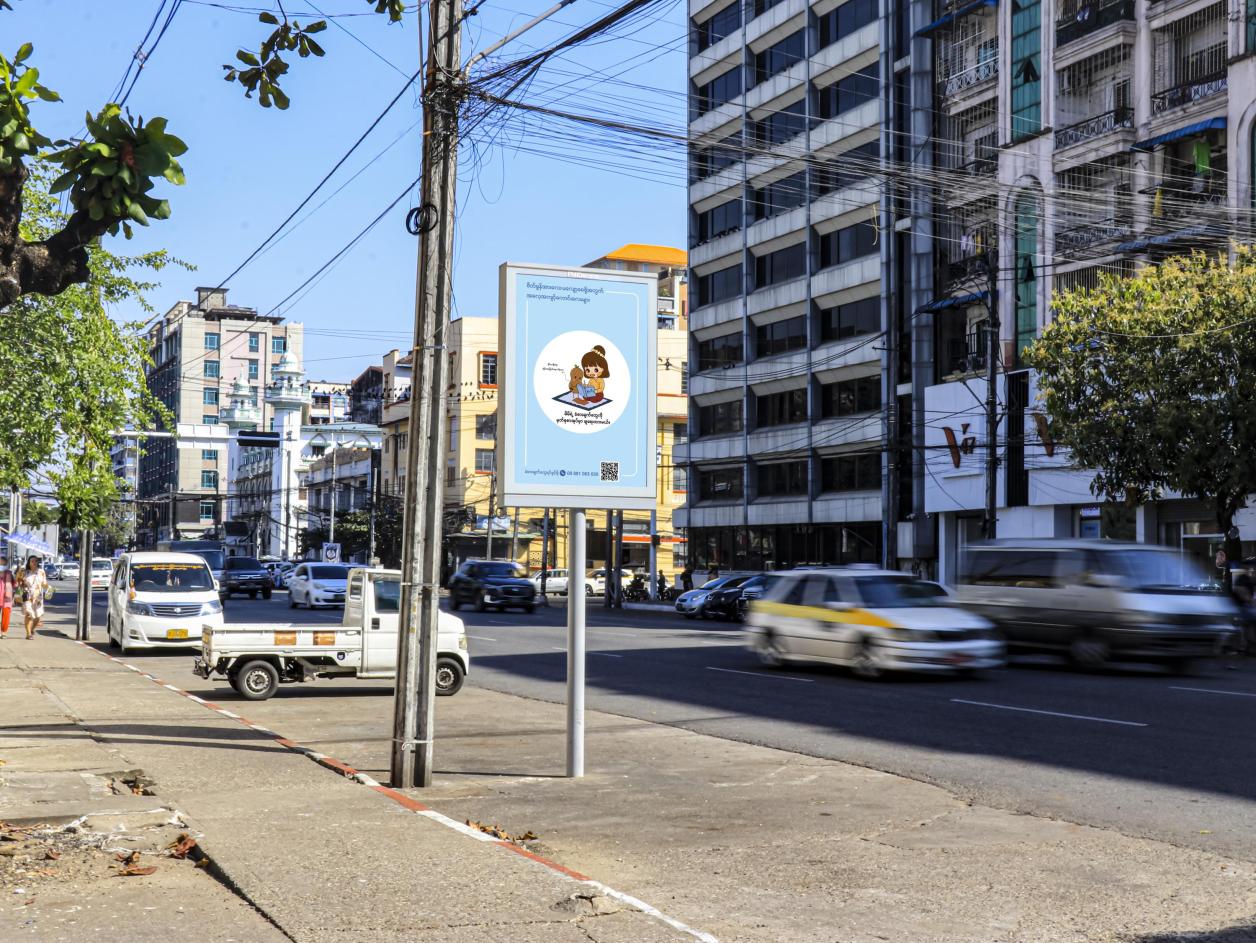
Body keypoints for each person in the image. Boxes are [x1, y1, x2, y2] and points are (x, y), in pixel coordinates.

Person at [19, 556, 47, 640]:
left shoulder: (41, 572)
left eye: (36, 561)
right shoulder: (24, 571)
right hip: (27, 595)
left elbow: (44, 583)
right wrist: (21, 578)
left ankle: (31, 629)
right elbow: (19, 582)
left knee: (38, 616)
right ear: (29, 562)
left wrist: (48, 587)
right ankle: (28, 634)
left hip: (38, 596)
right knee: (29, 614)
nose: (34, 562)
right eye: (32, 561)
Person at [0, 555, 14, 639]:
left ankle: (3, 632)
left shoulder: (9, 573)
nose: (2, 562)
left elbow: (14, 584)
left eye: (3, 561)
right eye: (1, 561)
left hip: (7, 598)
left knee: (6, 615)